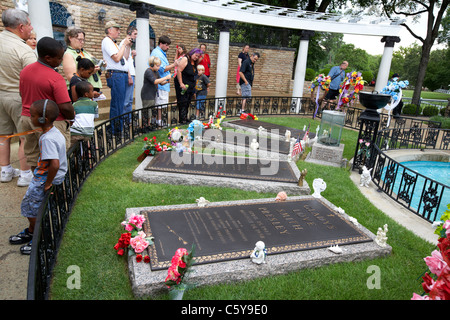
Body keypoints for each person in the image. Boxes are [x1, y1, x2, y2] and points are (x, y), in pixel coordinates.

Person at [9, 99, 67, 255]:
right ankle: (31, 231)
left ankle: (40, 239)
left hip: (43, 179)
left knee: (31, 209)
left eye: (32, 115)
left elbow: (54, 164)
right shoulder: (53, 133)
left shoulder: (48, 139)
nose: (30, 118)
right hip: (43, 177)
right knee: (31, 206)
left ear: (43, 119)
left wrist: (47, 183)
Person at [19, 36, 75, 171]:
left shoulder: (25, 71)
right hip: (50, 123)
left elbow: (22, 94)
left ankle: (38, 182)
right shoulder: (56, 78)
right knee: (54, 158)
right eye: (59, 58)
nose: (61, 61)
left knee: (34, 157)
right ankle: (53, 188)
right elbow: (65, 105)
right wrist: (72, 117)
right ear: (48, 58)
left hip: (27, 118)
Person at [0, 8, 37, 186]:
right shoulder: (22, 49)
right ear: (21, 26)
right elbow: (33, 77)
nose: (31, 28)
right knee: (24, 136)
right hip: (17, 97)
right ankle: (25, 174)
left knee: (3, 136)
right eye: (29, 24)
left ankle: (5, 170)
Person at [101, 21, 132, 125]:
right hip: (116, 75)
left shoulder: (114, 43)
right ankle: (115, 130)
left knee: (121, 103)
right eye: (117, 29)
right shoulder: (107, 41)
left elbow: (125, 58)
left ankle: (118, 128)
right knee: (117, 104)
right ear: (109, 30)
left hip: (121, 74)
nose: (119, 32)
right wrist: (123, 44)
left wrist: (127, 46)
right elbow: (117, 58)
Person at [63, 27, 102, 99]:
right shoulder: (68, 54)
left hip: (90, 88)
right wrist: (91, 72)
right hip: (82, 91)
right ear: (70, 38)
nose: (82, 42)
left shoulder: (84, 52)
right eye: (79, 40)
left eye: (83, 40)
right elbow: (72, 77)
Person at [150, 35, 178, 112]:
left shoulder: (160, 53)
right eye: (166, 45)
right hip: (160, 86)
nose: (168, 47)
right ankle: (159, 122)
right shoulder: (157, 53)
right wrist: (174, 65)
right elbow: (162, 69)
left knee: (162, 106)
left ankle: (159, 121)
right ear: (161, 44)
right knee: (160, 106)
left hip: (163, 84)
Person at [175, 48, 202, 124]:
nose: (196, 57)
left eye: (198, 56)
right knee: (183, 101)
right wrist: (181, 83)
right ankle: (181, 119)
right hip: (183, 84)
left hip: (190, 85)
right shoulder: (185, 59)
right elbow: (179, 71)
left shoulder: (194, 62)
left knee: (187, 102)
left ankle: (185, 117)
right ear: (192, 53)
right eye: (196, 55)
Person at [70, 81, 98, 146]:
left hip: (75, 132)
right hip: (88, 132)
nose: (93, 92)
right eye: (92, 91)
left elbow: (71, 120)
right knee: (86, 145)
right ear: (86, 94)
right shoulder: (94, 104)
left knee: (72, 147)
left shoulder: (74, 105)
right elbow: (95, 117)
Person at [122, 26, 138, 117]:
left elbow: (128, 60)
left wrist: (132, 56)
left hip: (132, 74)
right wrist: (129, 76)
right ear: (129, 33)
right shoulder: (124, 43)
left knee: (130, 100)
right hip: (129, 75)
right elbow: (123, 61)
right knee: (126, 100)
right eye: (134, 34)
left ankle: (128, 120)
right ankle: (124, 120)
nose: (136, 36)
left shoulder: (129, 45)